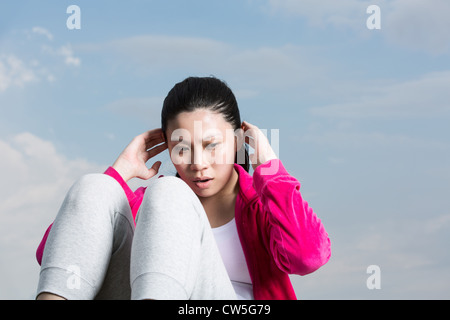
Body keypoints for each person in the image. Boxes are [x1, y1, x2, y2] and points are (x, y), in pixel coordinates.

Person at [35, 76, 331, 300]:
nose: (198, 163)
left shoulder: (264, 203)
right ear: (166, 145)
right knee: (95, 186)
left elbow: (307, 257)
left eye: (211, 145)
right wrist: (119, 173)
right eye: (182, 148)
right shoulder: (149, 206)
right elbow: (57, 256)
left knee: (170, 194)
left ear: (240, 139)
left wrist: (269, 167)